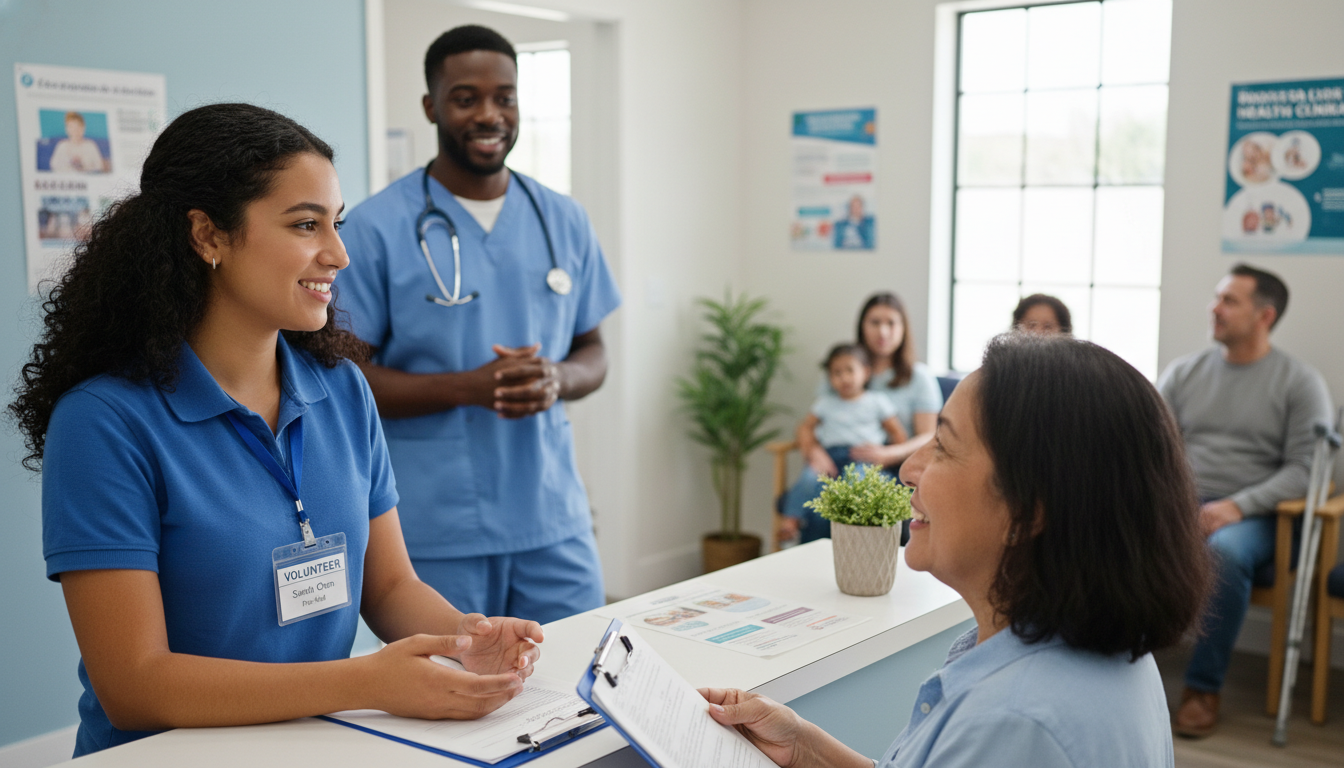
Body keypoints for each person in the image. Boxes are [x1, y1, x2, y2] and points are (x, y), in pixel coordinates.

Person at [9, 103, 544, 758]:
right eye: (305, 224)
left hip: (315, 745)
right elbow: (134, 684)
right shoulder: (106, 423)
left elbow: (389, 587)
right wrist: (363, 682)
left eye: (337, 224)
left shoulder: (344, 390)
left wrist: (468, 639)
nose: (339, 254)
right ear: (207, 236)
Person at [701, 333, 1211, 767]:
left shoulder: (1013, 725)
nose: (907, 470)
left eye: (942, 446)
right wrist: (802, 748)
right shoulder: (1101, 653)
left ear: (1028, 510)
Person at [338, 25, 620, 624]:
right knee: (456, 695)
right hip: (436, 527)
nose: (489, 114)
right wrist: (469, 387)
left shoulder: (562, 220)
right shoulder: (374, 229)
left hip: (551, 517)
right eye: (466, 98)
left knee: (579, 684)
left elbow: (594, 350)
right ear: (431, 105)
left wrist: (557, 379)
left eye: (505, 97)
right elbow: (345, 380)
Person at [1159, 263, 1333, 738]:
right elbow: (1149, 446)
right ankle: (1111, 662)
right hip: (1183, 503)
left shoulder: (1299, 382)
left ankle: (1202, 688)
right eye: (1217, 297)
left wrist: (1236, 505)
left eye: (1229, 300)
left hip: (1259, 517)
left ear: (1264, 316)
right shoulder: (1184, 372)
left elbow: (1310, 468)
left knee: (1225, 555)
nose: (1214, 308)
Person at [780, 293, 942, 542]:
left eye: (891, 323)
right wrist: (814, 452)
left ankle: (858, 566)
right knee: (824, 487)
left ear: (903, 329)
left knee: (854, 486)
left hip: (892, 465)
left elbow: (928, 436)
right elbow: (811, 423)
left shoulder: (919, 377)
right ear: (862, 326)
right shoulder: (842, 368)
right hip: (835, 458)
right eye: (875, 322)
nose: (883, 331)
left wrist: (888, 454)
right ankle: (813, 560)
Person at [780, 344, 906, 543]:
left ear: (865, 372)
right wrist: (814, 453)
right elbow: (805, 428)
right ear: (830, 378)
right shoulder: (825, 403)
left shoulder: (877, 401)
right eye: (837, 373)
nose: (844, 378)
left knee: (855, 482)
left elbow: (897, 432)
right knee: (808, 478)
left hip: (863, 458)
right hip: (829, 458)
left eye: (850, 370)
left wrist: (888, 455)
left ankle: (850, 535)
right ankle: (791, 522)